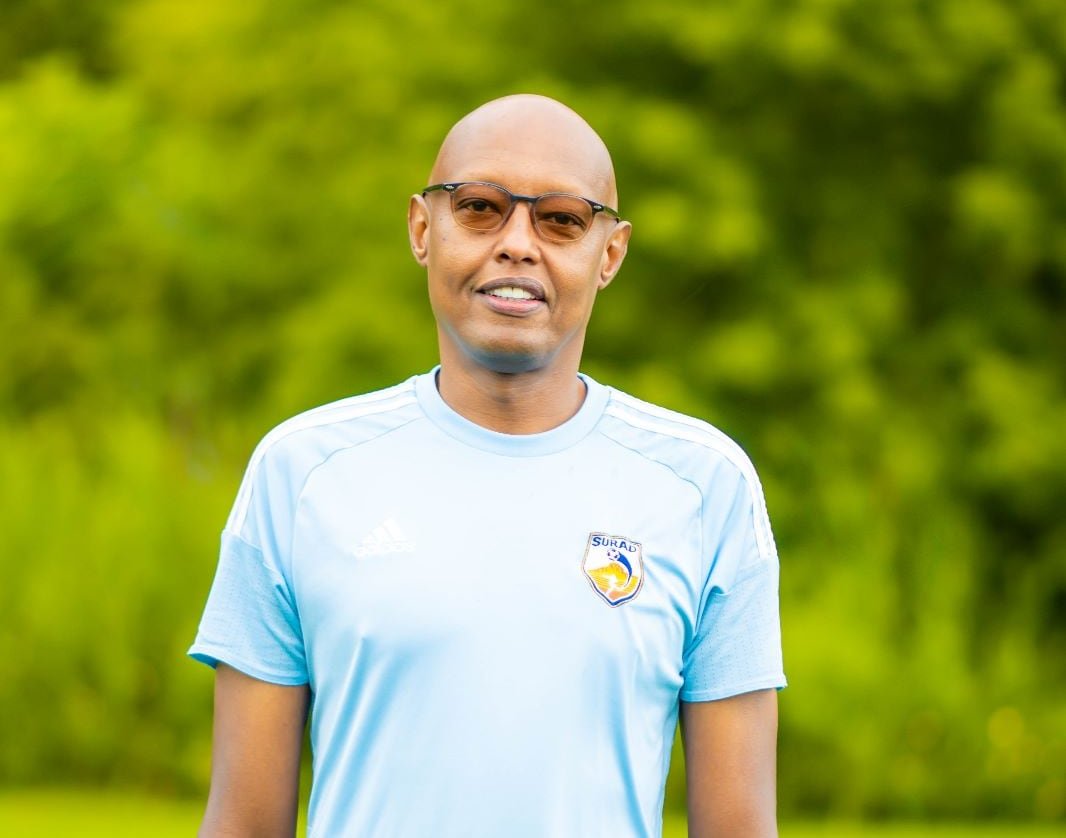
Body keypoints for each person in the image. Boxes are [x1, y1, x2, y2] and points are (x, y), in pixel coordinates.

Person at [190, 93, 785, 837]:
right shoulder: (300, 473)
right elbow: (244, 824)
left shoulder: (705, 487)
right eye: (479, 207)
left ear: (610, 253)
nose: (517, 244)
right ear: (421, 228)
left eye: (561, 218)